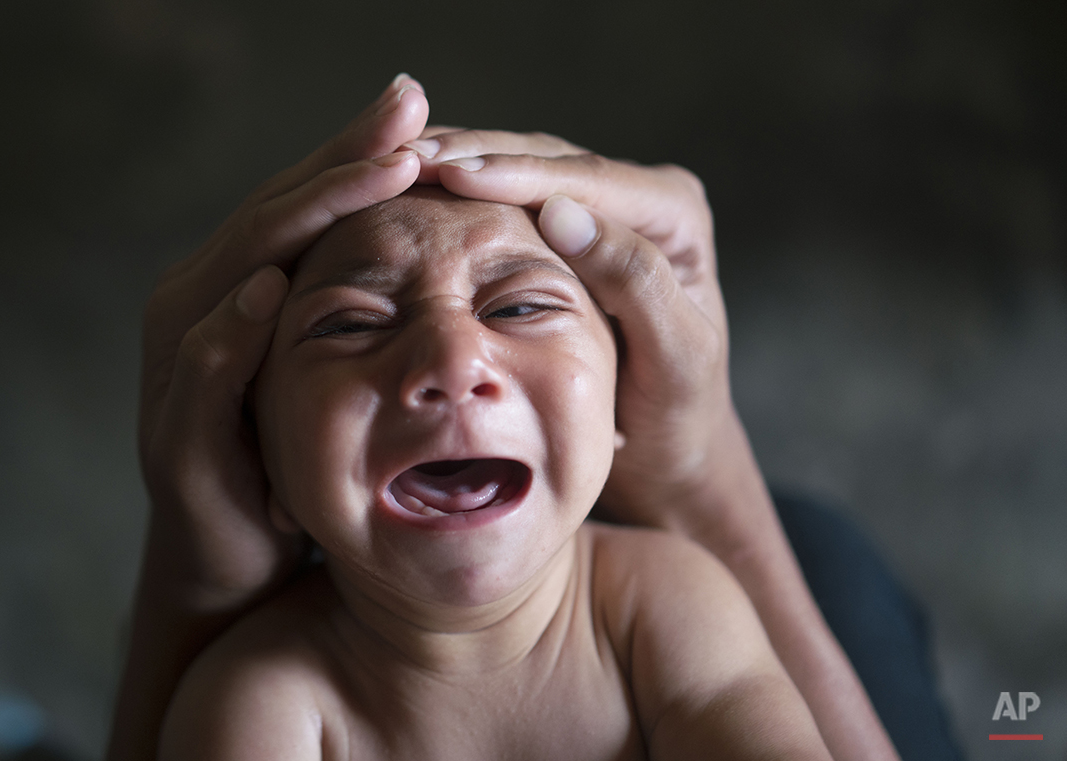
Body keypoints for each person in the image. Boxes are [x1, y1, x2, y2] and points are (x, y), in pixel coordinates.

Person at [107, 75, 902, 761]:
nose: (452, 364)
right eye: (350, 324)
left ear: (627, 405)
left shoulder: (664, 604)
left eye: (520, 305)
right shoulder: (265, 699)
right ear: (259, 464)